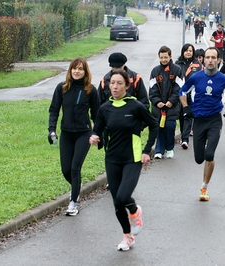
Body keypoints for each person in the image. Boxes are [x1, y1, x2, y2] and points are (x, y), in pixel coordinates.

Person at [89, 70, 158, 251]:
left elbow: (153, 125)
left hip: (132, 158)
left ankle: (135, 211)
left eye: (119, 83)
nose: (115, 87)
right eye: (112, 83)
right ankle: (128, 236)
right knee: (117, 203)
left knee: (122, 197)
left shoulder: (135, 106)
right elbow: (98, 129)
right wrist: (94, 137)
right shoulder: (105, 108)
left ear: (127, 86)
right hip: (112, 159)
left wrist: (146, 150)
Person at [179, 47, 225, 201]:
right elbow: (182, 92)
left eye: (213, 57)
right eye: (208, 57)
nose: (210, 60)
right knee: (199, 158)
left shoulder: (224, 79)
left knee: (210, 154)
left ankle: (204, 188)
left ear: (219, 60)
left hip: (214, 120)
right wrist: (186, 107)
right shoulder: (195, 77)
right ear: (203, 59)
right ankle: (203, 156)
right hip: (199, 120)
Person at [48, 57, 100, 216]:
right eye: (74, 68)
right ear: (70, 70)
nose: (77, 71)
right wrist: (52, 130)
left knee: (75, 167)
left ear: (85, 71)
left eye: (80, 69)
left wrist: (96, 133)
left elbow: (97, 115)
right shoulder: (62, 88)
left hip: (83, 134)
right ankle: (76, 186)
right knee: (66, 169)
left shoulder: (90, 89)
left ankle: (73, 203)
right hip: (66, 134)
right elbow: (54, 110)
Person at [98, 52, 149, 150]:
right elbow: (99, 105)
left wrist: (139, 125)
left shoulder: (135, 78)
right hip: (110, 127)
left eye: (119, 67)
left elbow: (144, 103)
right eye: (114, 67)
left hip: (130, 127)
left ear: (124, 65)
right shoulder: (105, 80)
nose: (116, 70)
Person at [149, 45, 184, 159]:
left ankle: (169, 148)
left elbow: (179, 88)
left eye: (166, 57)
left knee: (170, 126)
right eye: (161, 57)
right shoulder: (155, 71)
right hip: (158, 107)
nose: (164, 60)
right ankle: (159, 150)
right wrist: (157, 101)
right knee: (159, 127)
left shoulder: (177, 70)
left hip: (172, 106)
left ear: (170, 56)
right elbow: (152, 89)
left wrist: (171, 101)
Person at [175, 43, 203, 150]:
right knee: (182, 116)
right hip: (180, 94)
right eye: (186, 50)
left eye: (190, 51)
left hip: (192, 95)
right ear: (183, 52)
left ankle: (185, 139)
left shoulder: (198, 65)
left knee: (188, 115)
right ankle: (183, 134)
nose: (188, 52)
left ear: (193, 52)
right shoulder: (177, 64)